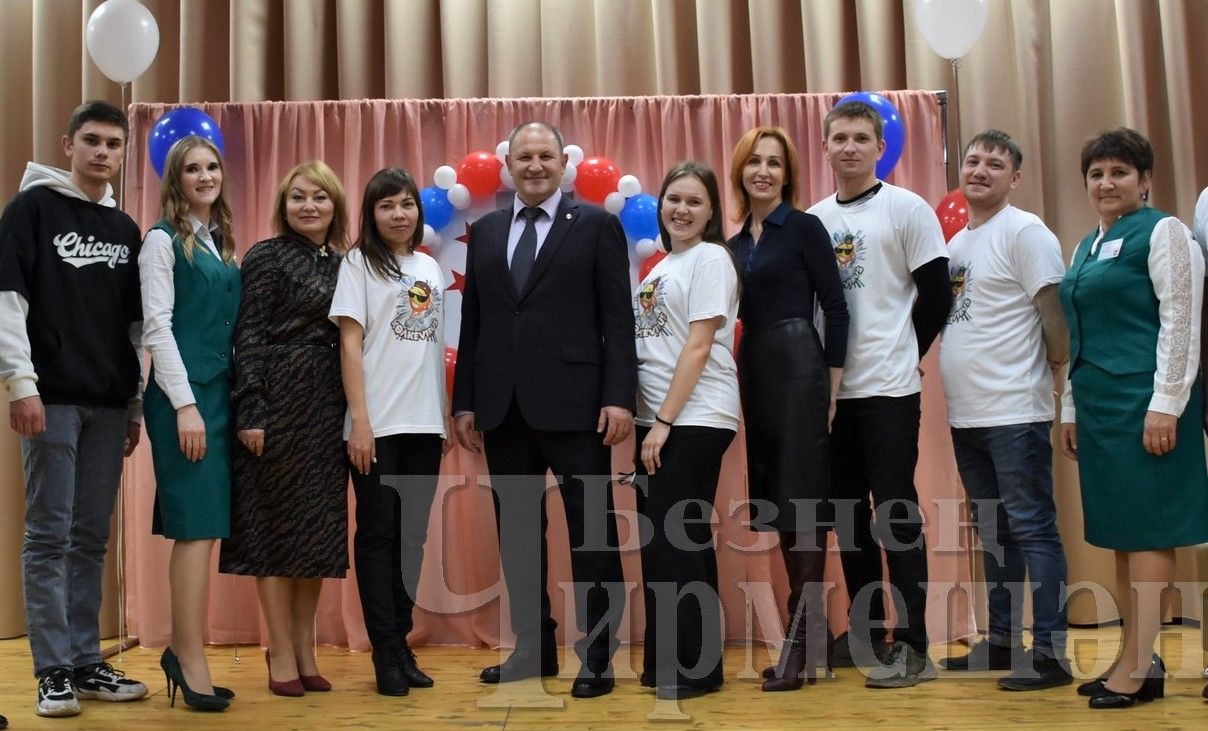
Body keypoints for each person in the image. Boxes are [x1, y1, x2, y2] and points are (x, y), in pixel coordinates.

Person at [453, 121, 636, 698]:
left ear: (564, 164)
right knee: (519, 538)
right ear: (509, 165)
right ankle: (533, 649)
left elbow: (616, 322)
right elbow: (475, 325)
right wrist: (465, 404)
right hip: (502, 409)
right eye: (524, 156)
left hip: (580, 409)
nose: (535, 166)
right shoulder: (482, 233)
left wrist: (618, 397)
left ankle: (598, 658)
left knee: (593, 539)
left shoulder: (599, 227)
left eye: (545, 156)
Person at [0, 100, 148, 718]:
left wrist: (135, 403)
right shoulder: (30, 209)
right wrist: (20, 382)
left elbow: (135, 327)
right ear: (67, 145)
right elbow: (9, 298)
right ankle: (52, 671)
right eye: (91, 141)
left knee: (90, 537)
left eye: (114, 145)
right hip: (51, 397)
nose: (102, 153)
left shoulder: (127, 229)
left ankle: (87, 662)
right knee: (48, 534)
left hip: (108, 403)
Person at [1058, 128, 1208, 709]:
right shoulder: (1088, 245)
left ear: (1145, 180)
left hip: (1146, 406)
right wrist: (1070, 406)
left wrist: (1166, 403)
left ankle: (1141, 666)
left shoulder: (1165, 232)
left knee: (1150, 529)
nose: (1106, 183)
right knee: (1122, 534)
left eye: (1119, 172)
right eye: (1096, 174)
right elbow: (1077, 332)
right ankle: (1133, 657)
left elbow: (1181, 321)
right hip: (1098, 407)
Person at [806, 100, 951, 688]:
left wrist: (903, 355)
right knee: (847, 516)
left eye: (860, 138)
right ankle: (865, 632)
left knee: (895, 513)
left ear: (878, 146)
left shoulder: (907, 208)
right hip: (832, 396)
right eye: (839, 137)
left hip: (889, 389)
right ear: (825, 146)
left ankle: (914, 645)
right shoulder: (813, 219)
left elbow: (937, 296)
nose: (849, 147)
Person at [936, 129, 1072, 690]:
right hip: (967, 416)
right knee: (995, 534)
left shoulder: (1025, 231)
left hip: (1015, 411)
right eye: (973, 161)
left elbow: (1055, 317)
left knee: (1033, 530)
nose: (980, 170)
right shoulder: (958, 243)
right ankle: (999, 644)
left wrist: (1057, 381)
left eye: (996, 164)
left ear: (1014, 179)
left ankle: (1049, 654)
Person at [219, 160, 350, 697]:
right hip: (274, 405)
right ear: (284, 205)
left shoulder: (346, 264)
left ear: (335, 205)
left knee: (315, 535)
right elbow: (247, 336)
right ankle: (278, 650)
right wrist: (250, 409)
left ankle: (304, 647)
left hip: (326, 407)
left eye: (319, 197)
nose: (309, 206)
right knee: (273, 533)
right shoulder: (266, 256)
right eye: (298, 197)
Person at [725, 127, 849, 692]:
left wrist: (833, 385)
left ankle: (800, 645)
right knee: (776, 502)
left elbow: (836, 309)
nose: (765, 172)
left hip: (801, 365)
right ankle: (811, 639)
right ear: (741, 171)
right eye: (755, 162)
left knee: (803, 502)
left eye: (775, 163)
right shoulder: (730, 246)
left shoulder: (804, 228)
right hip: (755, 369)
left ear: (788, 174)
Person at [330, 167, 449, 696]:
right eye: (387, 206)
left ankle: (401, 644)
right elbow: (349, 345)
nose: (399, 214)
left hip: (426, 425)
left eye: (406, 205)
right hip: (375, 427)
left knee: (412, 540)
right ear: (371, 214)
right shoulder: (357, 264)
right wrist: (360, 422)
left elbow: (429, 350)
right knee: (378, 537)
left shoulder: (430, 267)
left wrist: (443, 419)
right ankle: (384, 653)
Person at [632, 161, 739, 700]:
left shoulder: (712, 258)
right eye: (674, 198)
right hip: (658, 422)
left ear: (712, 211)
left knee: (680, 540)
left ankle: (696, 670)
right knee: (661, 545)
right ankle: (664, 663)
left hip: (693, 419)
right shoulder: (659, 267)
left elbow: (698, 345)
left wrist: (664, 423)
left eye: (695, 201)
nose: (682, 209)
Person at [140, 135, 240, 711]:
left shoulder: (220, 241)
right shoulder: (161, 242)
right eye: (192, 170)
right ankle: (188, 654)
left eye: (211, 167)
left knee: (205, 528)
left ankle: (185, 650)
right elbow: (158, 328)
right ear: (175, 180)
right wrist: (184, 405)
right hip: (186, 399)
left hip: (220, 396)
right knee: (196, 527)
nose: (204, 176)